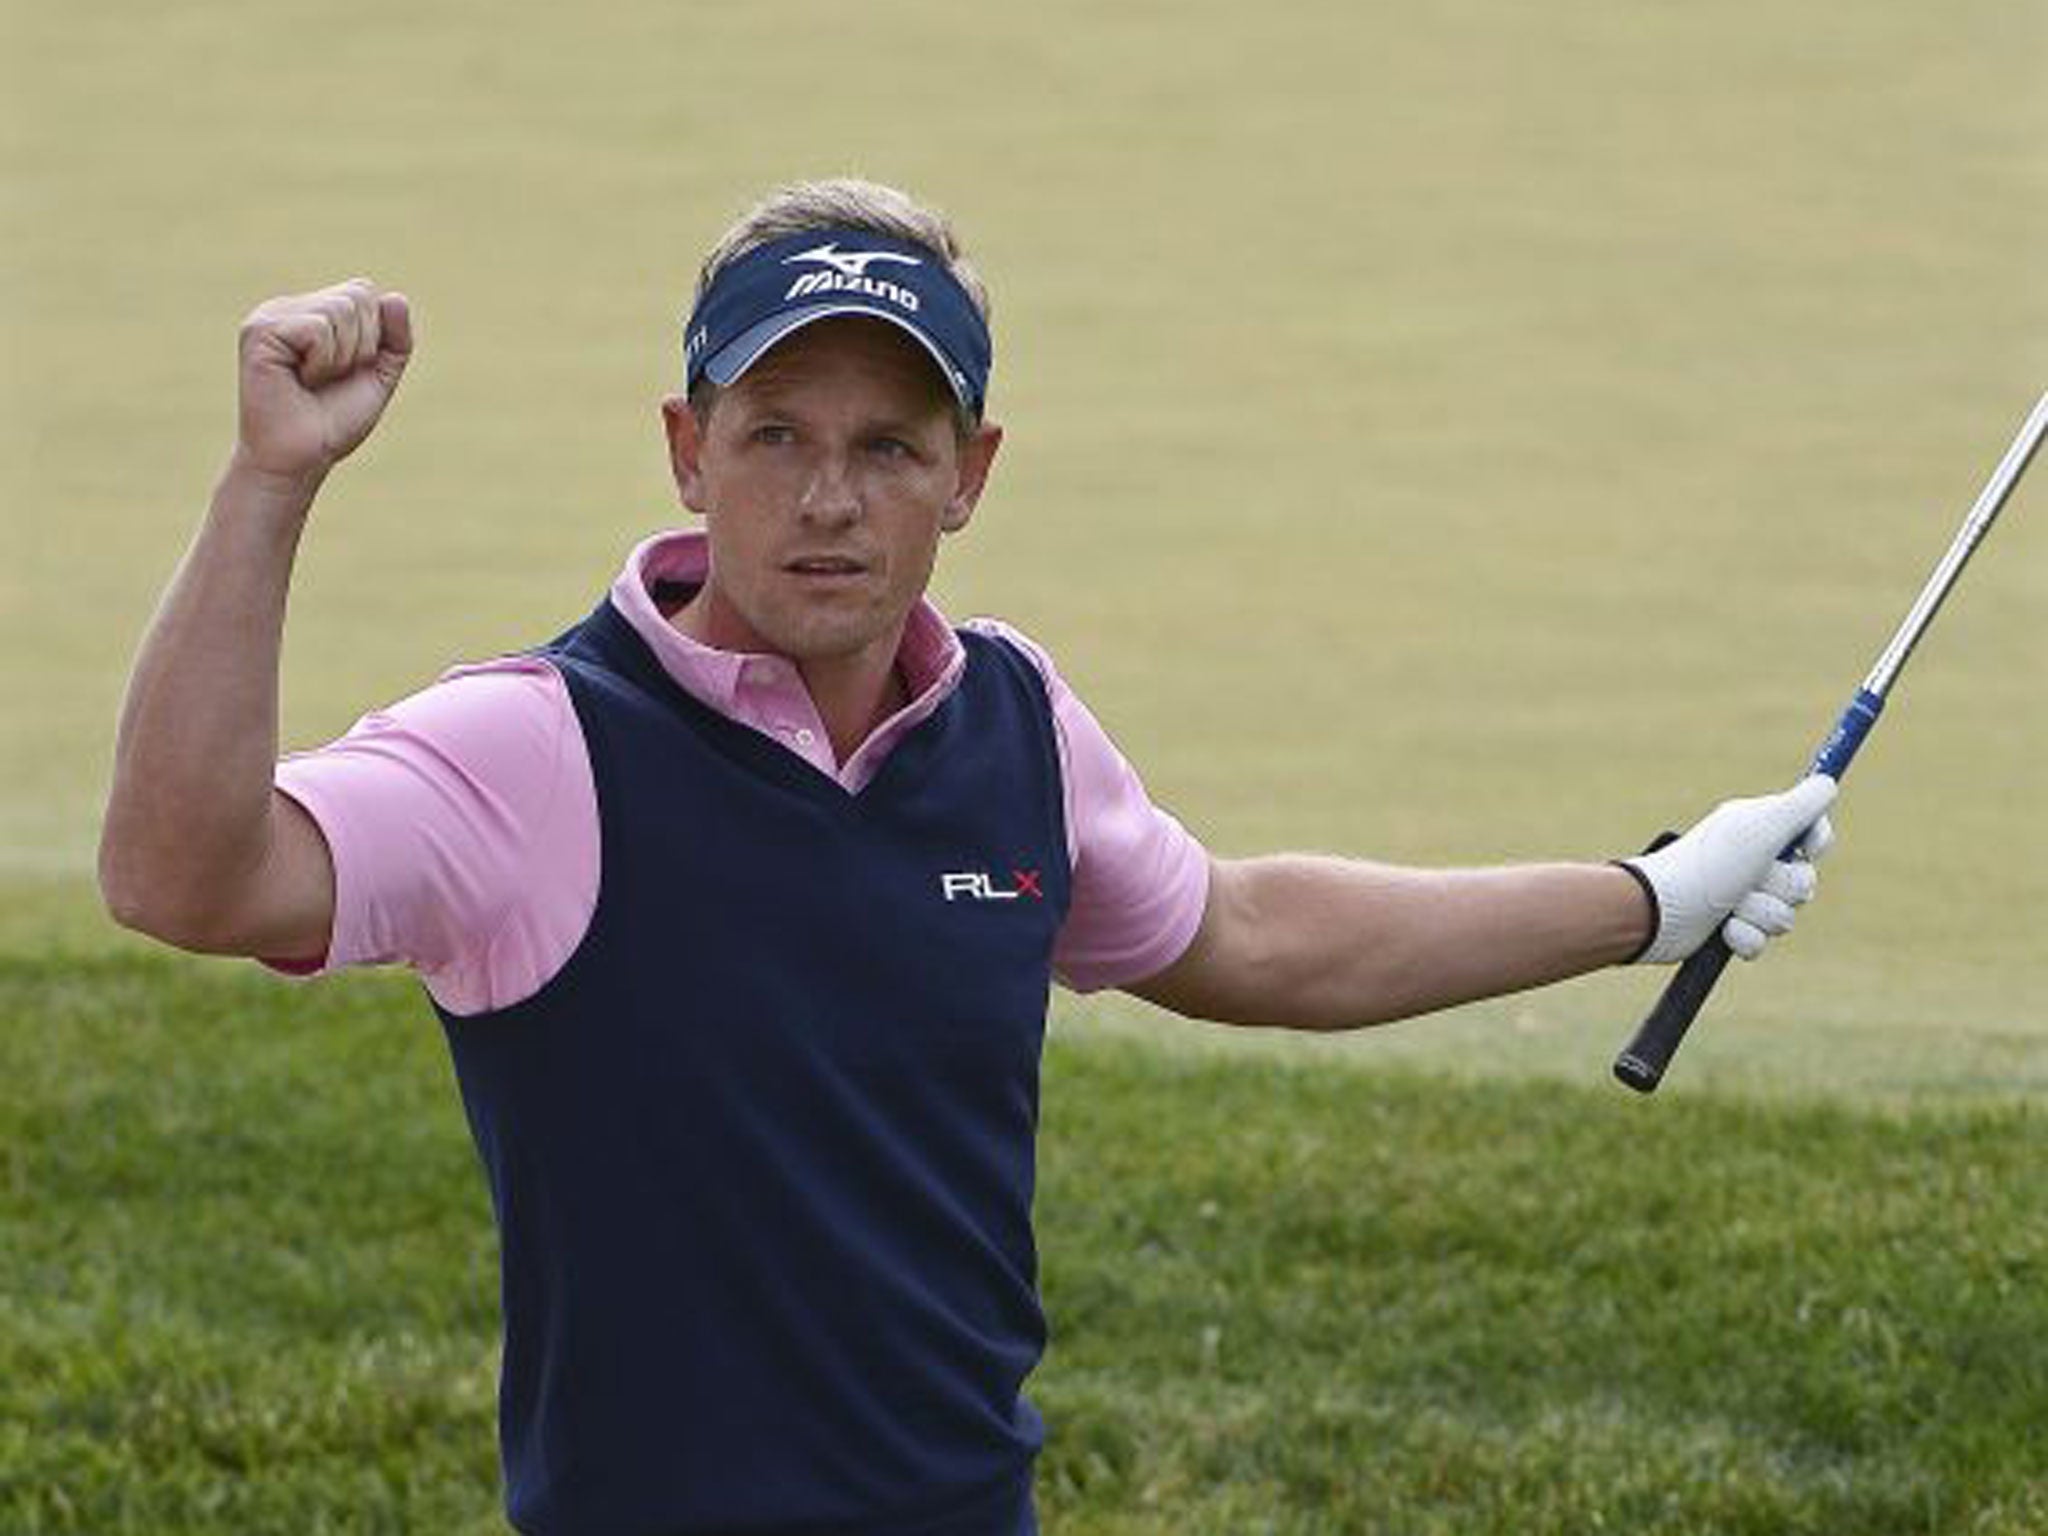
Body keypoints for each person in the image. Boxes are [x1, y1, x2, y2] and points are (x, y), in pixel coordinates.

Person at [98, 178, 1835, 1536]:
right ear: (688, 452)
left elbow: (1241, 933)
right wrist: (271, 489)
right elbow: (185, 875)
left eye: (886, 447)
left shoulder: (1008, 721)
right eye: (773, 435)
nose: (828, 499)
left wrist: (1651, 896)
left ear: (969, 474)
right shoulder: (535, 747)